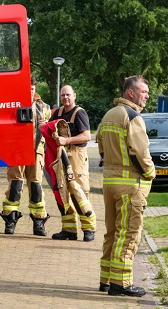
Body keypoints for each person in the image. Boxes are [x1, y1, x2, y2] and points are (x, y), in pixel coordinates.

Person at [96, 76, 155, 297]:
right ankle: (122, 283)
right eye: (143, 91)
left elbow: (100, 146)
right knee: (128, 233)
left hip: (110, 183)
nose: (146, 95)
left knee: (111, 233)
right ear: (130, 93)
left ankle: (106, 279)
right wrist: (151, 173)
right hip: (130, 184)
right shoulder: (133, 117)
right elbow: (140, 153)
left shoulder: (108, 115)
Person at [1, 77, 53, 236]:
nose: (29, 92)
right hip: (17, 152)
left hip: (36, 151)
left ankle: (39, 223)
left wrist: (47, 126)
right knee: (15, 185)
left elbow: (51, 129)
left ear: (34, 89)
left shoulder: (44, 107)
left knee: (36, 187)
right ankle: (10, 220)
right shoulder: (12, 105)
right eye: (27, 89)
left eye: (31, 89)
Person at [49, 85, 97, 241]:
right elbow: (49, 129)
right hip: (61, 155)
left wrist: (67, 140)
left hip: (76, 156)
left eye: (68, 95)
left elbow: (87, 136)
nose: (65, 98)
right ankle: (69, 230)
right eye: (63, 95)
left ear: (74, 95)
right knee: (63, 193)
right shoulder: (58, 113)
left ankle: (89, 229)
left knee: (80, 192)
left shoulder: (79, 113)